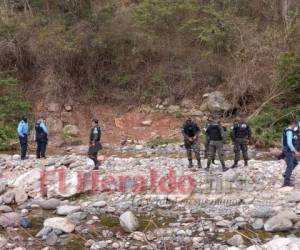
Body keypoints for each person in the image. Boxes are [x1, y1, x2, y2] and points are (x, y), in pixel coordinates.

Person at [282, 120, 300, 187]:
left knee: (295, 162)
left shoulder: (290, 130)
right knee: (290, 164)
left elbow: (283, 140)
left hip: (289, 149)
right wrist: (295, 151)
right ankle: (286, 182)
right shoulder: (289, 131)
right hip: (288, 150)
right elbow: (289, 143)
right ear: (293, 124)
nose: (296, 127)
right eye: (296, 126)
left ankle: (286, 174)